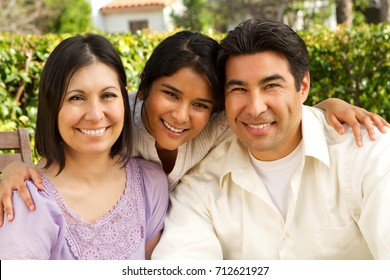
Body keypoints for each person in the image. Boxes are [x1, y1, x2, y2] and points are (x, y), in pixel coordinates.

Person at [0, 30, 389, 226]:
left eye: (201, 104)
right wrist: (15, 168)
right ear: (143, 88)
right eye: (170, 94)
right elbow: (70, 153)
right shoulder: (120, 121)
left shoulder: (218, 125)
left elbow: (266, 116)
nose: (182, 115)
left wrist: (323, 107)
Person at [152, 19, 390, 260]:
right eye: (239, 89)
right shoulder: (200, 185)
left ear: (303, 86)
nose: (255, 108)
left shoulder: (368, 153)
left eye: (271, 86)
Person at [0, 34, 169, 259]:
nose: (96, 114)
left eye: (108, 95)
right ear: (52, 106)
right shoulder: (28, 203)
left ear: (124, 98)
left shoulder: (151, 183)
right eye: (76, 98)